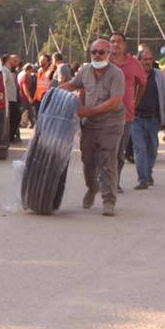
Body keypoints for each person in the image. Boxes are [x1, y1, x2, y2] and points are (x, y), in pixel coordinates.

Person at [60, 38, 126, 216]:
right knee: (87, 160)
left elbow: (115, 101)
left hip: (111, 123)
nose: (97, 55)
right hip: (90, 124)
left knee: (107, 159)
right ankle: (92, 188)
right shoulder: (86, 70)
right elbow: (73, 85)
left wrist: (89, 111)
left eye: (101, 52)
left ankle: (108, 200)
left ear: (108, 54)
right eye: (93, 52)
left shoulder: (116, 74)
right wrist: (54, 92)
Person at [129, 46, 165, 190]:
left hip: (153, 119)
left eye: (150, 59)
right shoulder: (133, 76)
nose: (148, 62)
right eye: (145, 59)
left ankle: (148, 173)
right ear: (139, 60)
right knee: (139, 148)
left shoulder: (159, 75)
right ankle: (142, 179)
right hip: (136, 118)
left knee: (152, 149)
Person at [109, 32, 146, 193]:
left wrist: (135, 101)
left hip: (125, 115)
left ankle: (114, 182)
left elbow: (142, 83)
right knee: (105, 150)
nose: (115, 44)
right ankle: (104, 180)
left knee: (119, 151)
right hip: (104, 113)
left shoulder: (134, 63)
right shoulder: (103, 60)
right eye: (112, 41)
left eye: (118, 41)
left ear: (124, 44)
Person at [3, 53, 21, 143]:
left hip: (12, 99)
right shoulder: (4, 71)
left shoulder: (9, 71)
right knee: (14, 118)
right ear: (9, 61)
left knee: (15, 118)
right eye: (14, 61)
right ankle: (9, 138)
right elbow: (2, 84)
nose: (16, 63)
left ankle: (11, 137)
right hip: (8, 100)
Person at [19, 62, 38, 127]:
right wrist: (29, 97)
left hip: (26, 97)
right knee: (23, 110)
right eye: (30, 70)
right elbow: (25, 89)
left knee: (29, 111)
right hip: (24, 98)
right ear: (27, 70)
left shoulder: (28, 77)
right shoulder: (25, 78)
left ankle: (32, 123)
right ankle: (21, 122)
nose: (31, 72)